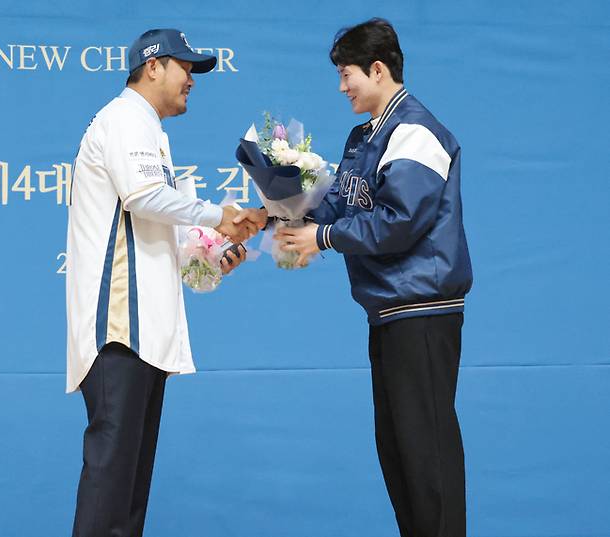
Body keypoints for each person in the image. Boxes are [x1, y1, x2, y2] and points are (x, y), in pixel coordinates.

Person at [275, 18, 473, 537]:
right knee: (399, 452)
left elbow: (400, 222)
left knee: (427, 455)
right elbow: (338, 205)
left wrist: (320, 240)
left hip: (422, 311)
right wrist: (278, 214)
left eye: (347, 76)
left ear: (378, 68)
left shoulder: (415, 131)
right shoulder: (365, 136)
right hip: (387, 311)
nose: (342, 88)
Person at [66, 28, 262, 537]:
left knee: (128, 497)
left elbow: (161, 242)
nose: (191, 79)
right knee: (111, 490)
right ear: (152, 66)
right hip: (118, 332)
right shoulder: (126, 118)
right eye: (185, 67)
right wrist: (221, 215)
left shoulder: (149, 130)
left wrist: (214, 259)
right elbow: (143, 196)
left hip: (145, 336)